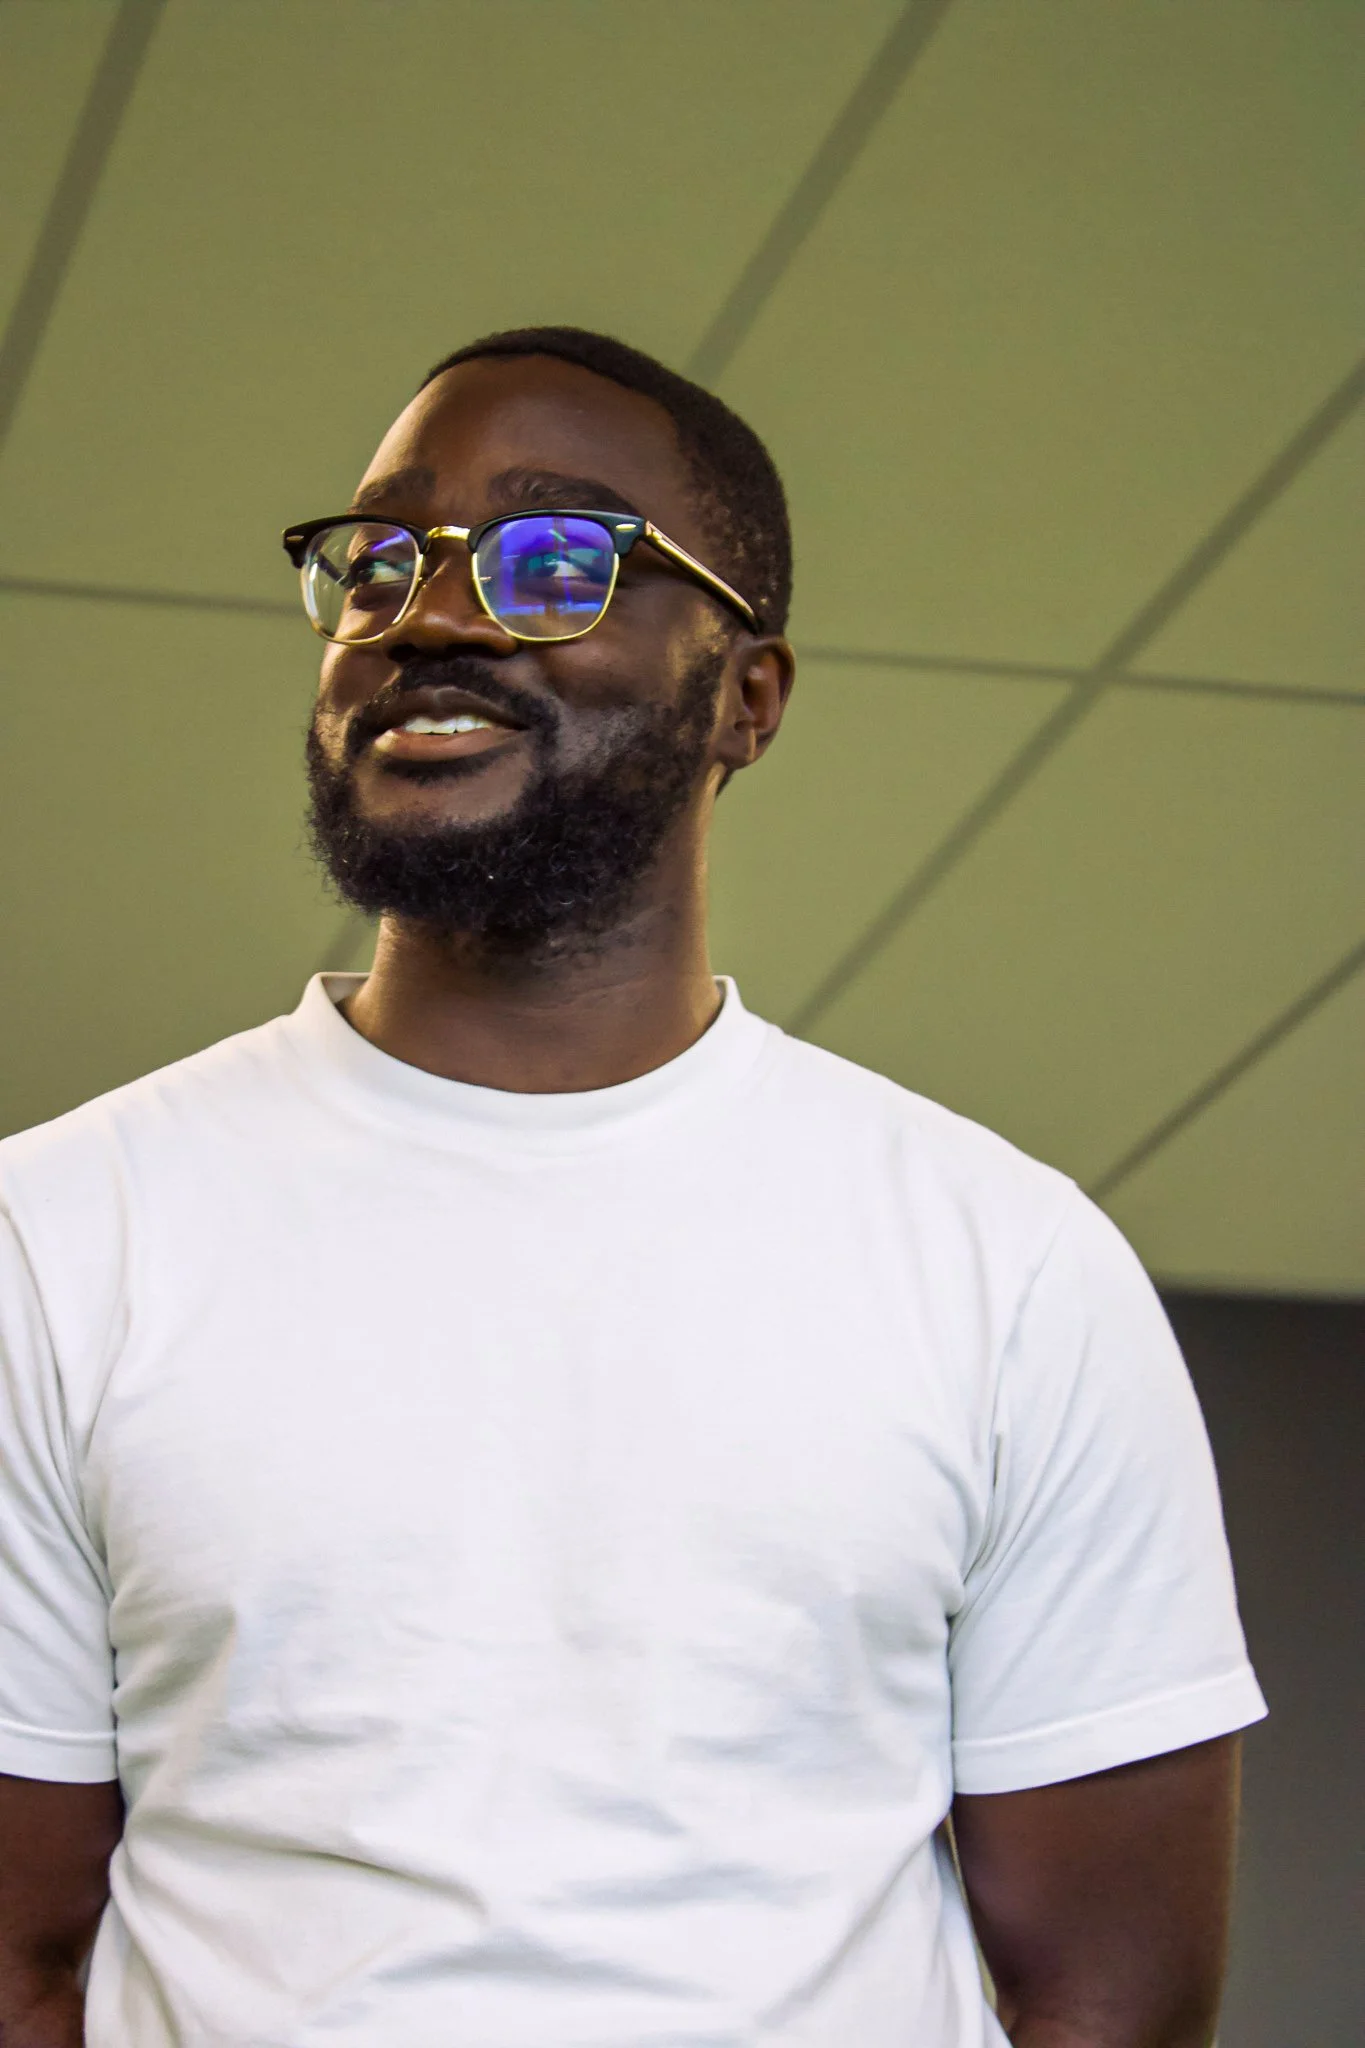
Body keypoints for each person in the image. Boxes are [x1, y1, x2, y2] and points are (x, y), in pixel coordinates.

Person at [0, 326, 1265, 2048]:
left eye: (552, 559)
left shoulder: (1010, 1265)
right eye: (381, 559)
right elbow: (20, 1959)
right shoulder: (58, 1239)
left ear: (747, 694)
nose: (429, 612)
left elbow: (1110, 1997)